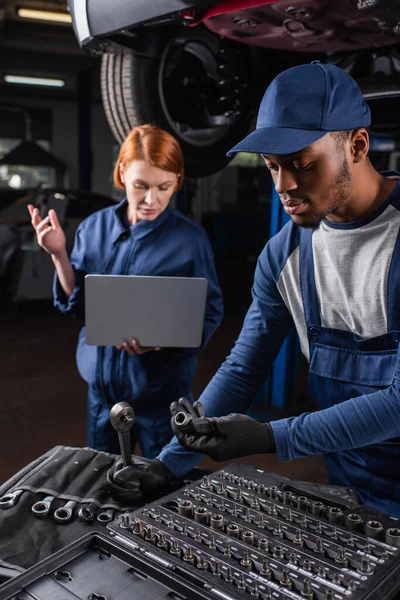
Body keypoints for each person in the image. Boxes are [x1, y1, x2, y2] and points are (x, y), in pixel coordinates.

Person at [108, 62, 400, 517]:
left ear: (357, 145)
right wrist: (169, 464)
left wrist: (269, 437)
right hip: (352, 485)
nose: (284, 186)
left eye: (301, 165)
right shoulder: (284, 255)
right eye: (271, 167)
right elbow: (245, 368)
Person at [28, 124, 223, 459]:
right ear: (122, 173)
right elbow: (78, 306)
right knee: (101, 482)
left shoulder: (190, 241)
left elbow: (209, 311)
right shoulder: (95, 228)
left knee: (160, 486)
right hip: (102, 395)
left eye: (164, 187)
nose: (151, 200)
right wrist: (58, 253)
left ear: (178, 179)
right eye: (140, 186)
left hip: (161, 396)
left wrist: (165, 339)